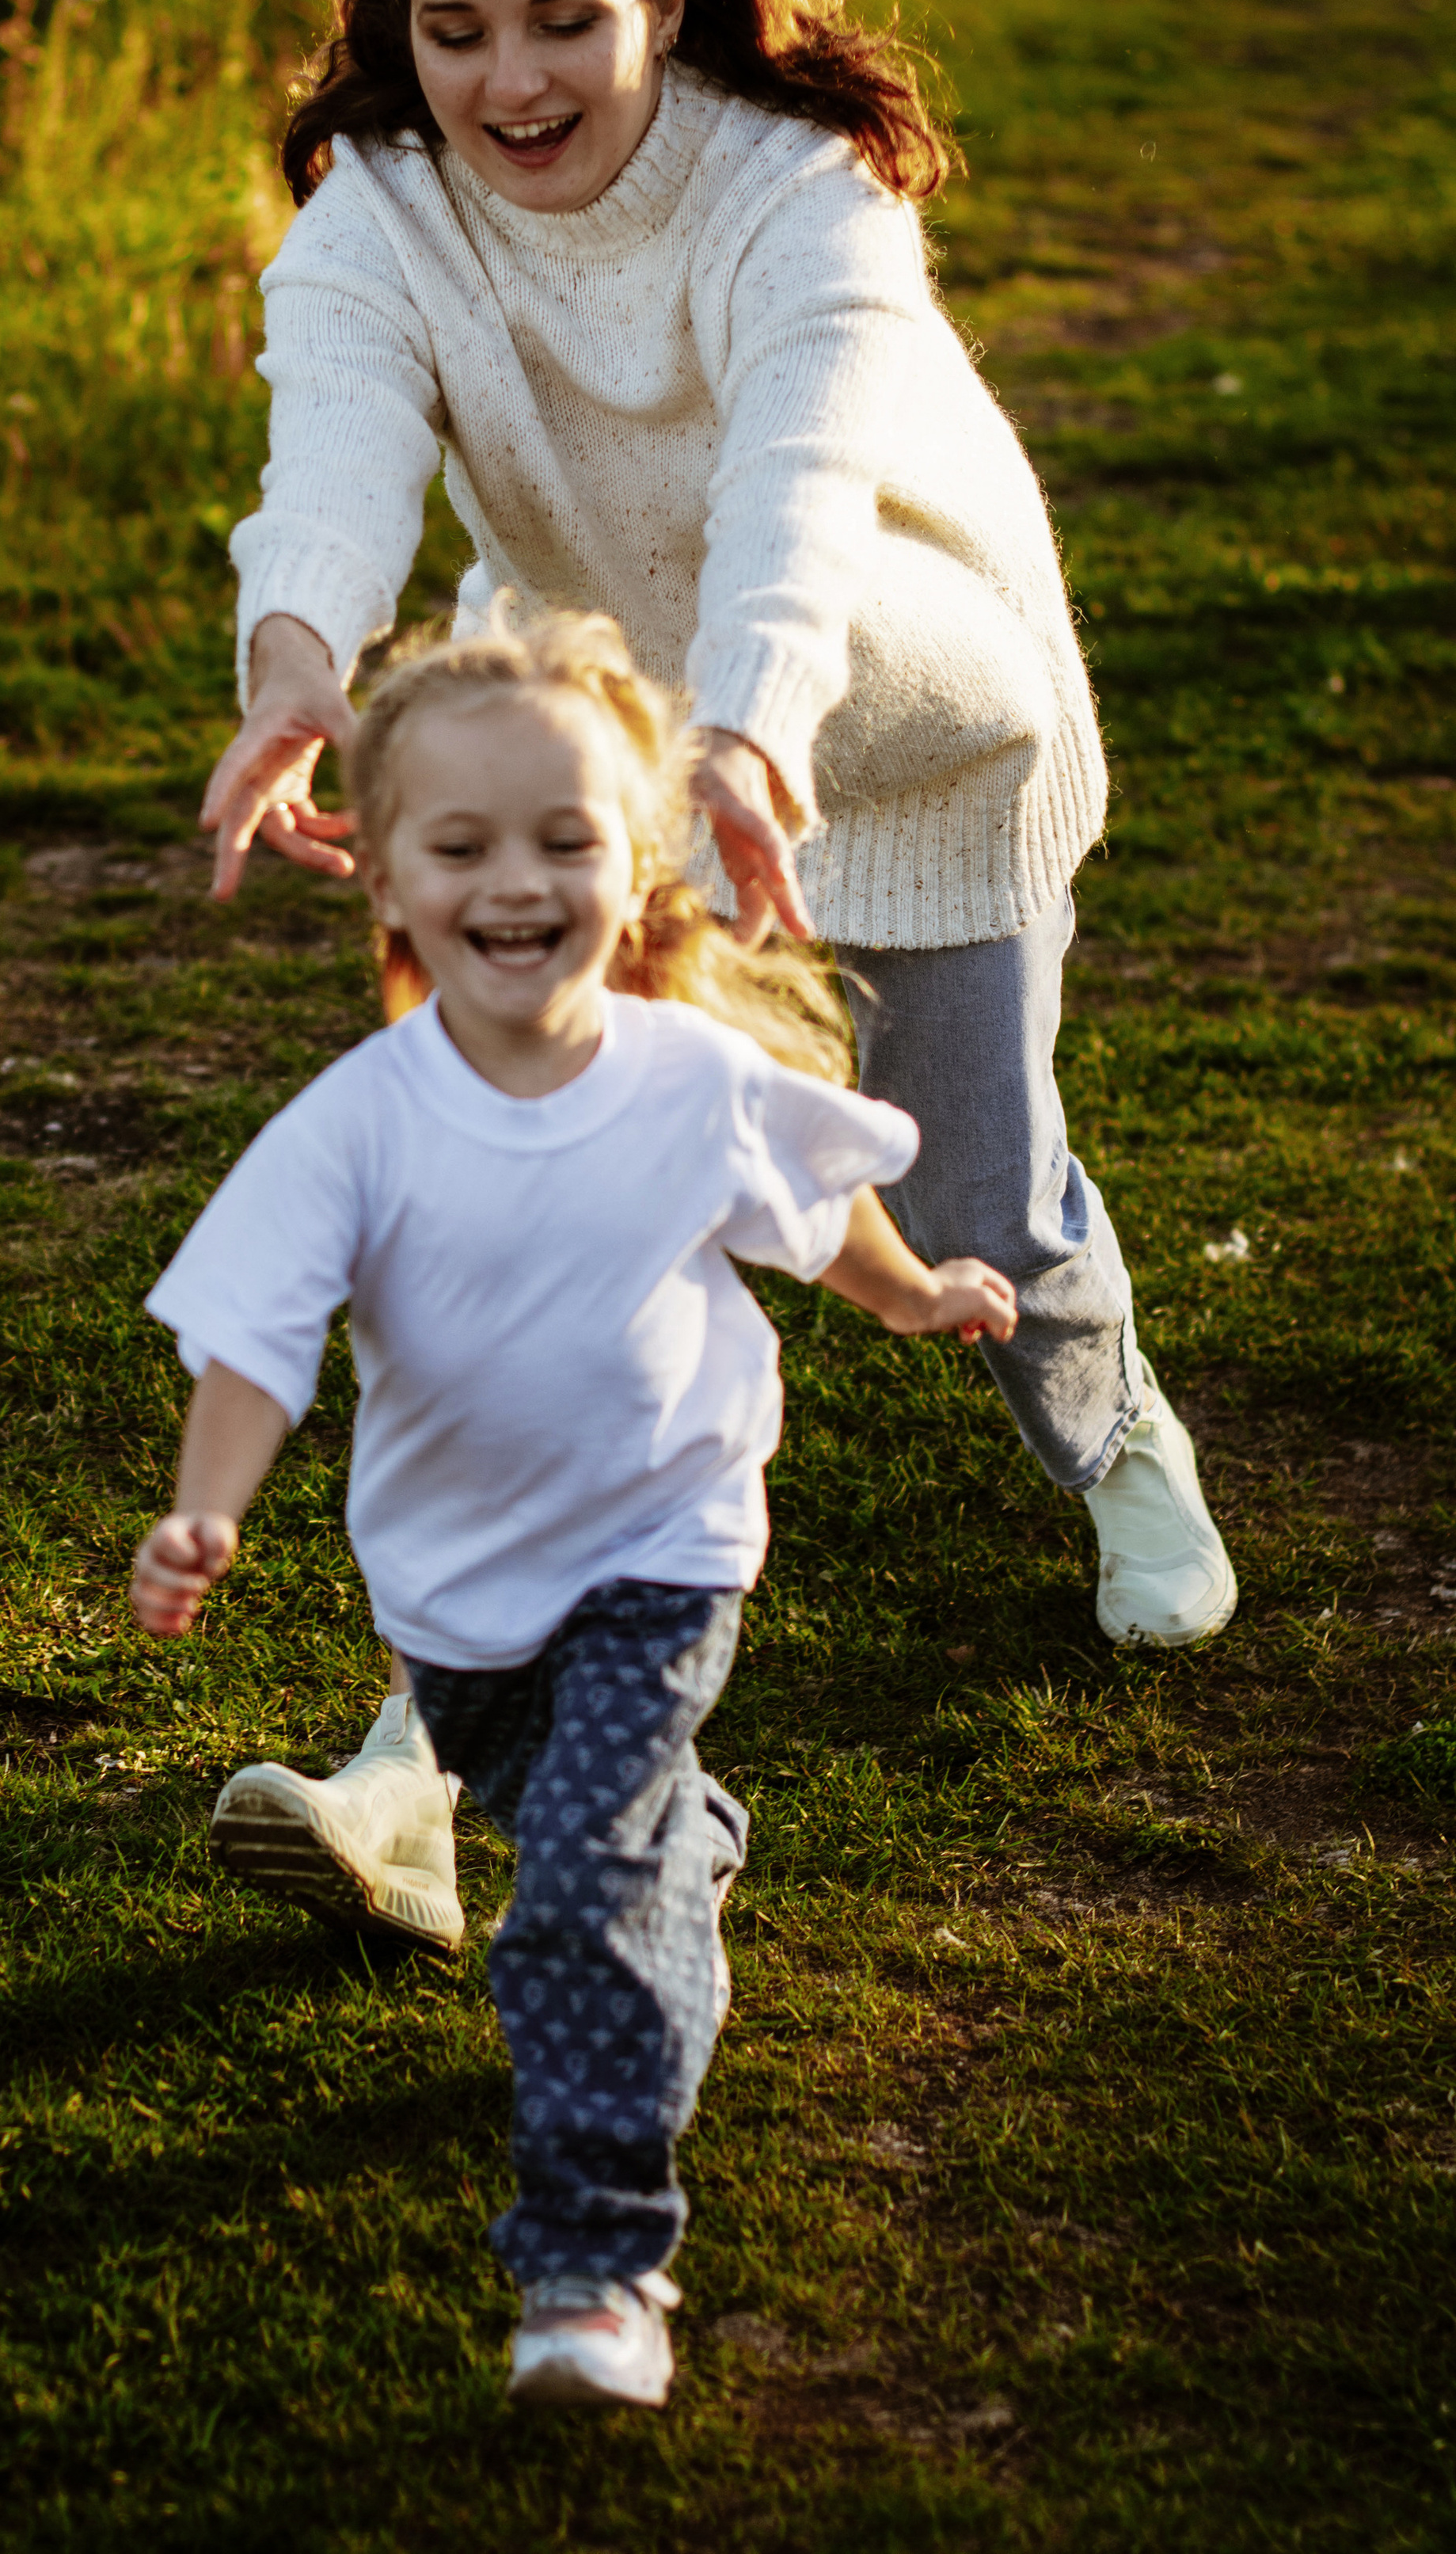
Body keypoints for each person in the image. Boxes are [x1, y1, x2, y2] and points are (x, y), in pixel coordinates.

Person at [196, 0, 1237, 1962]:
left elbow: (801, 492)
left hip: (897, 713)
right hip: (581, 749)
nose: (510, 79)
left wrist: (754, 725)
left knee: (968, 1206)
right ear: (396, 23)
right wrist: (299, 668)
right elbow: (338, 460)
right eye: (453, 29)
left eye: (563, 17)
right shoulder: (381, 211)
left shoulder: (807, 190)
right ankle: (420, 1770)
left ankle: (1110, 1417)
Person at [131, 615, 1017, 2407]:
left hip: (660, 1545)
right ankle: (681, 1846)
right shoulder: (355, 1126)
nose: (514, 882)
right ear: (383, 875)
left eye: (562, 840)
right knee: (584, 1820)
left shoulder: (687, 1080)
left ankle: (594, 2263)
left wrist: (912, 1292)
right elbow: (250, 1338)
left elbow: (812, 1206)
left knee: (571, 1902)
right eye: (461, 848)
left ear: (634, 867)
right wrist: (203, 1513)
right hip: (452, 1599)